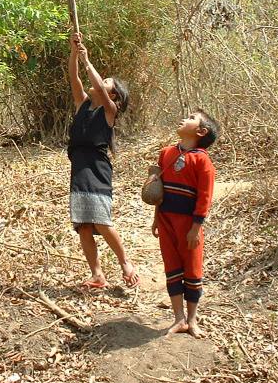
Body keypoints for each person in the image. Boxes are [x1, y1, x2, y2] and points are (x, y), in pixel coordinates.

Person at [68, 31, 139, 289]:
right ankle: (97, 274)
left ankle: (125, 263)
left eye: (108, 81)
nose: (102, 82)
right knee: (83, 227)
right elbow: (74, 78)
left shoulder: (110, 110)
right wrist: (74, 52)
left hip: (97, 171)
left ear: (115, 96)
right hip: (79, 168)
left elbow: (98, 86)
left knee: (101, 220)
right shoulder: (83, 104)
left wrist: (88, 61)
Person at [149, 110, 219, 338]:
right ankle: (178, 318)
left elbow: (204, 197)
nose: (183, 118)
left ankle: (192, 319)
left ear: (201, 131)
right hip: (166, 220)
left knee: (192, 268)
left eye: (190, 118)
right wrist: (156, 217)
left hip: (189, 225)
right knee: (171, 266)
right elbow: (158, 190)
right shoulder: (166, 153)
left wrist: (196, 227)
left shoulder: (202, 160)